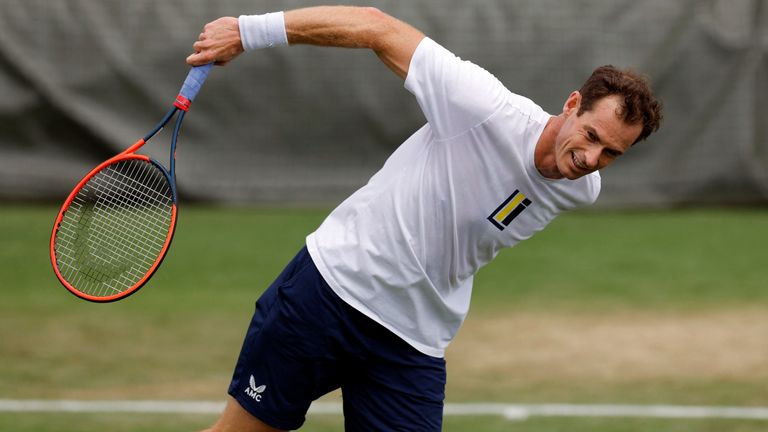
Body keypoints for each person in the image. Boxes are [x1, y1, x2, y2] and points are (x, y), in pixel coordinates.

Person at [186, 5, 663, 432]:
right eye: (591, 135)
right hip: (329, 295)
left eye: (610, 152)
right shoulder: (481, 106)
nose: (591, 156)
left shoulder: (583, 189)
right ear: (572, 104)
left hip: (413, 342)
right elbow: (376, 27)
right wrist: (248, 31)